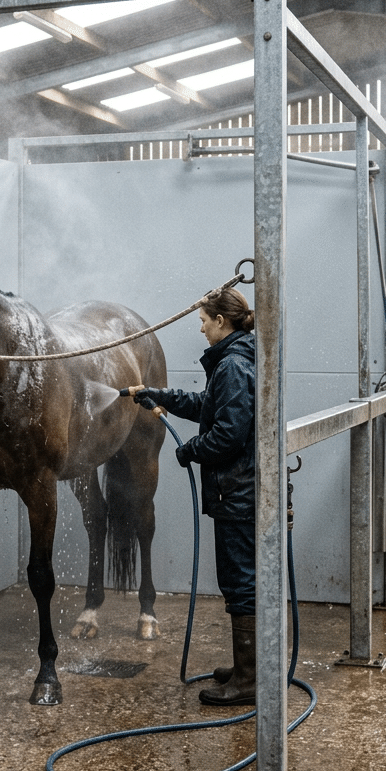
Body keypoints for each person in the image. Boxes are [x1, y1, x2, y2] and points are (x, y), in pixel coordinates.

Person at [130, 287, 256, 706]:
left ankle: (250, 679)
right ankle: (246, 667)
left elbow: (228, 434)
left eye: (204, 321)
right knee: (239, 581)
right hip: (238, 490)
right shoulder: (235, 361)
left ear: (221, 321)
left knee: (240, 583)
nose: (201, 328)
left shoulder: (234, 365)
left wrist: (188, 451)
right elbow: (208, 406)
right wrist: (159, 396)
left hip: (238, 492)